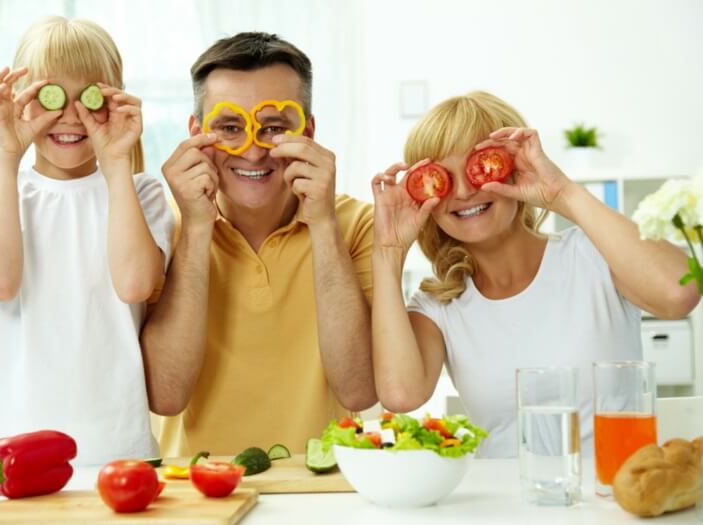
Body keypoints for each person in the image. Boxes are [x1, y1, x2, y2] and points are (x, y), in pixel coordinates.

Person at [370, 91, 699, 457]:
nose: (463, 191)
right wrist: (387, 252)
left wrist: (563, 193)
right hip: (504, 495)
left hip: (616, 490)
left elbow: (680, 293)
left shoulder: (592, 254)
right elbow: (400, 395)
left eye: (482, 166)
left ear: (515, 167)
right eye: (441, 178)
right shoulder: (438, 306)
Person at [0, 16, 174, 466]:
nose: (71, 115)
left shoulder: (141, 193)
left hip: (114, 444)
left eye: (89, 97)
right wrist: (8, 156)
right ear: (22, 102)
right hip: (5, 440)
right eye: (53, 96)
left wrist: (116, 161)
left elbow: (135, 285)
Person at [142, 32, 376, 457]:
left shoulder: (357, 225)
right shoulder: (160, 232)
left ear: (308, 132)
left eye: (274, 128)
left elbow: (359, 390)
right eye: (230, 128)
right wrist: (196, 228)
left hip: (323, 485)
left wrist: (322, 222)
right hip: (194, 485)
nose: (253, 151)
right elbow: (166, 395)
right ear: (196, 133)